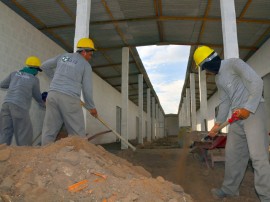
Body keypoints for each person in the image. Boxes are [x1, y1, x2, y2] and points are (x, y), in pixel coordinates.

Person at [193, 46, 270, 201]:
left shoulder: (234, 64)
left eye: (204, 68)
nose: (206, 71)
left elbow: (257, 82)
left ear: (208, 62)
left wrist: (248, 108)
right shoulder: (218, 78)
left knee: (258, 156)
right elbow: (225, 101)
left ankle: (266, 196)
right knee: (233, 154)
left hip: (254, 111)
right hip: (236, 117)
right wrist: (218, 123)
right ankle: (230, 189)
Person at [41, 38, 98, 145]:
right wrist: (91, 107)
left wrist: (55, 80)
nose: (90, 57)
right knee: (78, 132)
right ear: (84, 51)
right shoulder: (85, 65)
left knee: (49, 130)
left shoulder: (63, 56)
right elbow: (87, 89)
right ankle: (81, 158)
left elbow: (44, 66)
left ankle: (45, 157)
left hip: (52, 96)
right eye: (90, 54)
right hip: (70, 99)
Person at [0, 56, 45, 146]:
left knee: (5, 131)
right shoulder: (34, 79)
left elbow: (2, 85)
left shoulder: (14, 74)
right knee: (24, 132)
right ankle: (25, 155)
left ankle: (2, 153)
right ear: (35, 69)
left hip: (6, 105)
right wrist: (44, 104)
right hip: (19, 106)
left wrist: (14, 85)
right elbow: (37, 96)